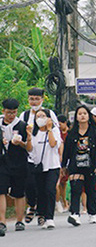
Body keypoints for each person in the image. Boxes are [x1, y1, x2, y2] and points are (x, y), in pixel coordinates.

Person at [18, 87, 58, 224]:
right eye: (31, 99)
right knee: (29, 184)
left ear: (42, 99)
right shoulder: (24, 115)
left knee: (43, 186)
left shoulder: (49, 114)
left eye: (37, 99)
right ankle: (32, 205)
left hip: (46, 156)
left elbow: (55, 133)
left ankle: (42, 212)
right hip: (28, 155)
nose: (34, 102)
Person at [61, 105, 96, 226]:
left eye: (84, 113)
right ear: (76, 117)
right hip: (76, 165)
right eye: (80, 113)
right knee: (76, 189)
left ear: (89, 116)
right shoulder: (72, 134)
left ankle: (92, 213)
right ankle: (75, 214)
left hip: (91, 165)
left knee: (90, 190)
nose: (82, 116)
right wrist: (64, 165)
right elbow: (67, 150)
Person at [0, 98, 32, 236]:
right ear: (3, 111)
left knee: (19, 192)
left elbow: (29, 148)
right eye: (8, 113)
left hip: (19, 162)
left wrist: (21, 143)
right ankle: (2, 221)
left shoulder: (22, 125)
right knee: (1, 191)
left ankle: (19, 221)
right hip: (2, 162)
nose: (11, 115)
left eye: (13, 113)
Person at [30, 109, 62, 229]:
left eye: (43, 116)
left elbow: (54, 144)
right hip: (39, 167)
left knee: (50, 190)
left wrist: (49, 129)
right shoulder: (34, 133)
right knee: (41, 192)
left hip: (52, 166)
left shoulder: (54, 131)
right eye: (38, 116)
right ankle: (42, 214)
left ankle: (50, 218)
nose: (40, 118)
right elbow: (30, 150)